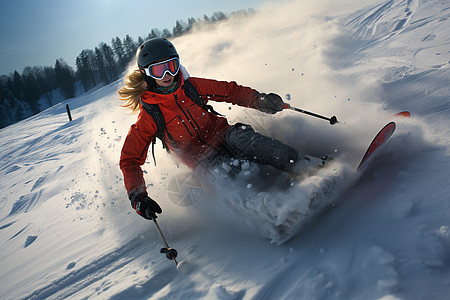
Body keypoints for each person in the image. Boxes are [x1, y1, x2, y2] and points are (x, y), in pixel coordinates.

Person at [118, 38, 325, 221]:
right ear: (146, 74)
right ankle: (274, 214)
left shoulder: (192, 87)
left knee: (251, 142)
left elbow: (230, 92)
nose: (167, 74)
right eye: (158, 70)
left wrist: (260, 101)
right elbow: (130, 159)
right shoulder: (150, 115)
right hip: (201, 160)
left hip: (226, 135)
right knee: (228, 182)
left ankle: (306, 168)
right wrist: (138, 198)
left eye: (171, 66)